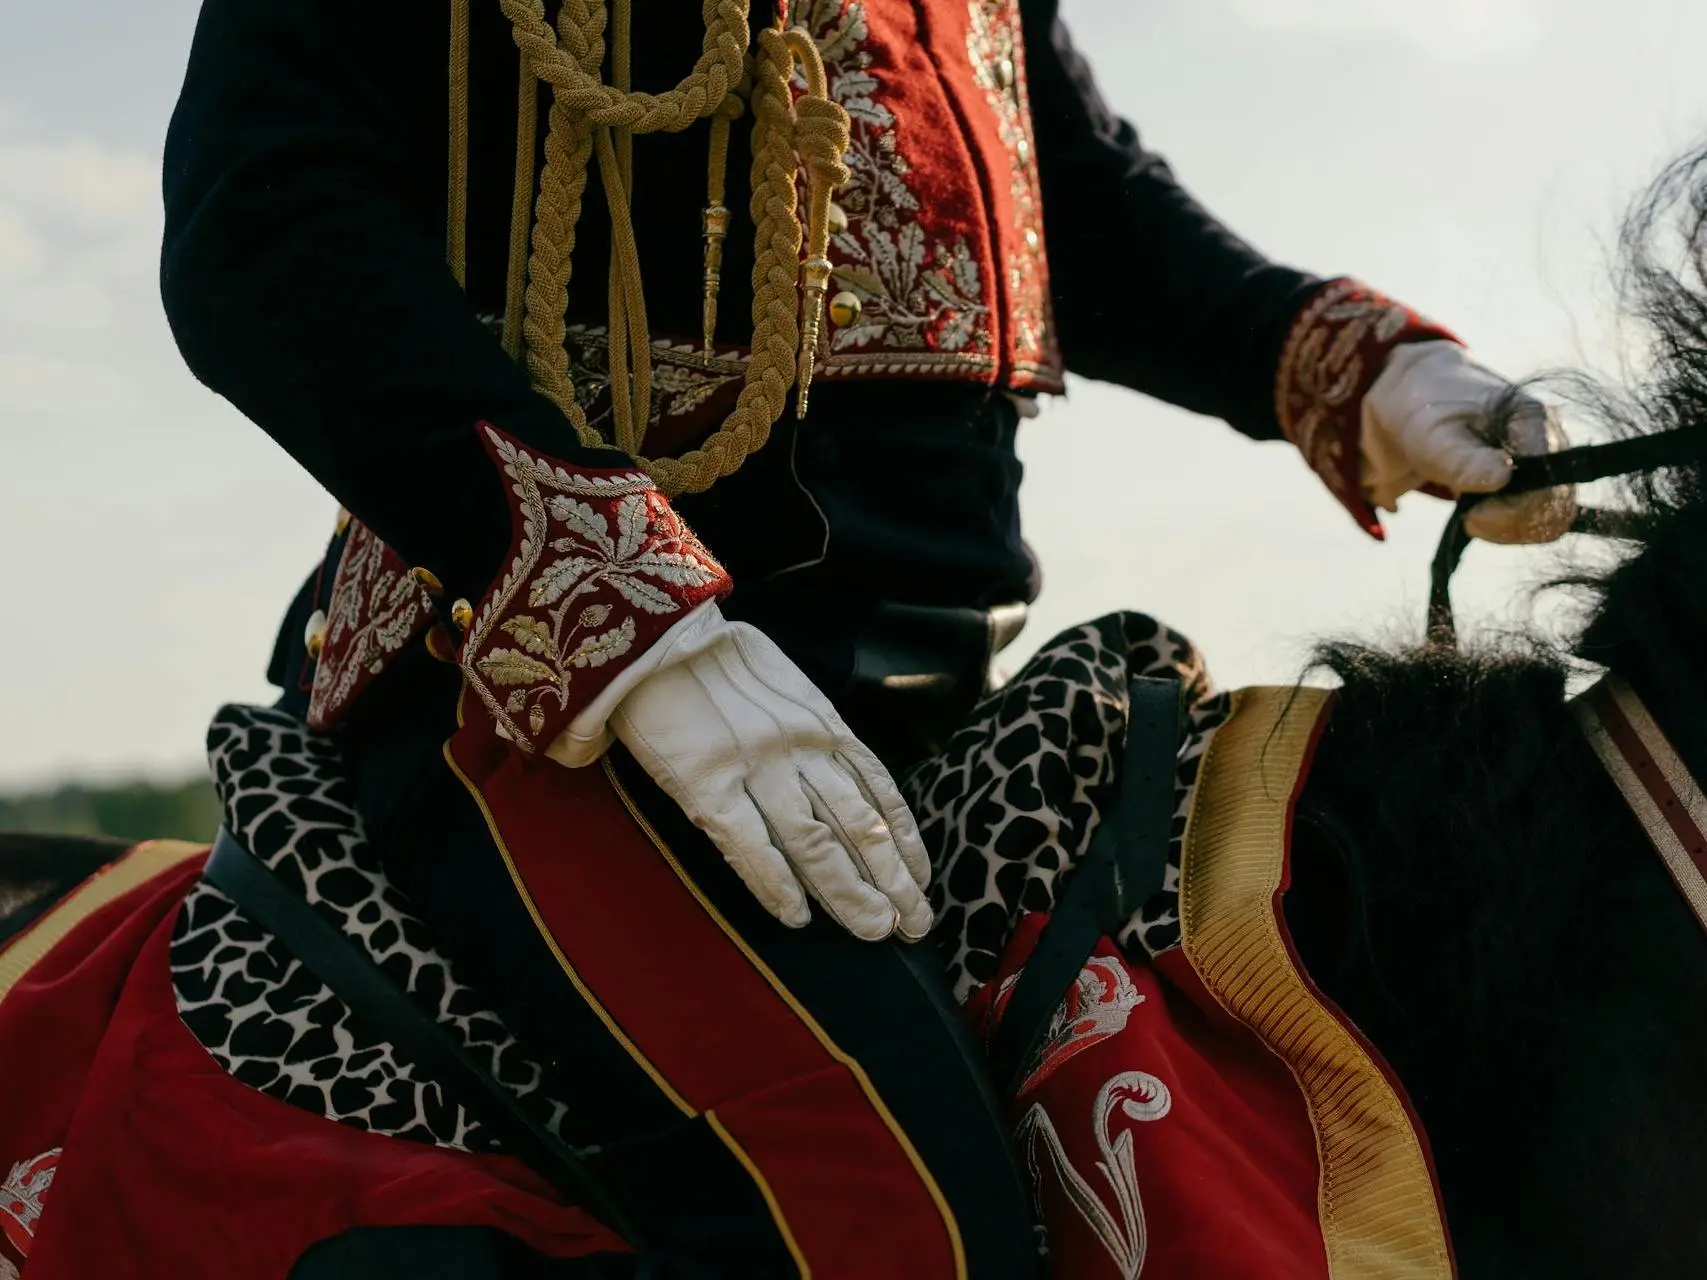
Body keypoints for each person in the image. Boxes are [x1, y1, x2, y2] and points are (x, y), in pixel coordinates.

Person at [157, 0, 1574, 1273]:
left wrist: (1357, 365)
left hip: (952, 678)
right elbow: (264, 214)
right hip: (541, 690)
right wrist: (630, 614)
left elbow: (1055, 187)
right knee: (889, 1229)